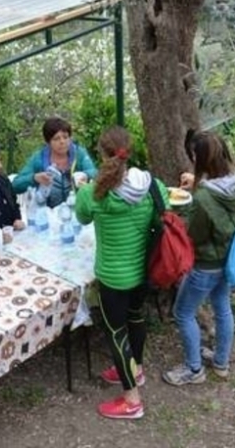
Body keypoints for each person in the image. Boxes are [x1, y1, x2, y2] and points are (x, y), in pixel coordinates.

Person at [75, 126, 167, 419]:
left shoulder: (93, 193)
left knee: (117, 334)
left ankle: (131, 401)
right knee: (136, 318)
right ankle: (135, 370)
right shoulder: (152, 186)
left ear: (102, 154)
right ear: (129, 153)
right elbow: (164, 209)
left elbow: (81, 216)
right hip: (144, 271)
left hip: (113, 278)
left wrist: (83, 187)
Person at [163, 130, 235, 386]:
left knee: (183, 312)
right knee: (222, 307)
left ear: (200, 160)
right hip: (228, 257)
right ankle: (221, 362)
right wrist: (200, 184)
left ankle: (193, 369)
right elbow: (224, 209)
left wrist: (179, 216)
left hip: (206, 264)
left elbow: (195, 235)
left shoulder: (203, 198)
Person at [12, 117, 98, 207]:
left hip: (76, 211)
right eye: (56, 139)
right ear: (48, 142)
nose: (62, 142)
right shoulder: (38, 158)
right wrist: (34, 178)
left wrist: (85, 175)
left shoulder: (79, 154)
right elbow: (15, 185)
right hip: (48, 214)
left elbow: (94, 172)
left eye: (65, 137)